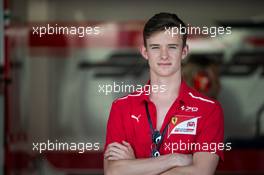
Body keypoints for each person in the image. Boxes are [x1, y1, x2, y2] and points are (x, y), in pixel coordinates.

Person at [104, 12, 224, 175]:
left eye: (172, 47)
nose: (164, 55)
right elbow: (113, 172)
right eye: (155, 47)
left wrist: (133, 166)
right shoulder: (121, 107)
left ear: (184, 51)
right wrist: (174, 159)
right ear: (145, 52)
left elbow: (200, 172)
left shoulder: (209, 110)